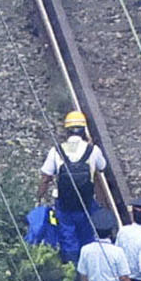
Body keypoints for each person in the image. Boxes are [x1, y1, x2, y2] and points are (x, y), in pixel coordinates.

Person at [36, 110, 111, 263]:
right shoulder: (93, 150)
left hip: (64, 204)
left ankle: (72, 268)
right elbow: (102, 168)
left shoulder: (57, 151)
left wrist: (39, 197)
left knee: (67, 236)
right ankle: (88, 268)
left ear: (67, 130)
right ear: (84, 130)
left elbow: (46, 178)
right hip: (86, 202)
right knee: (87, 235)